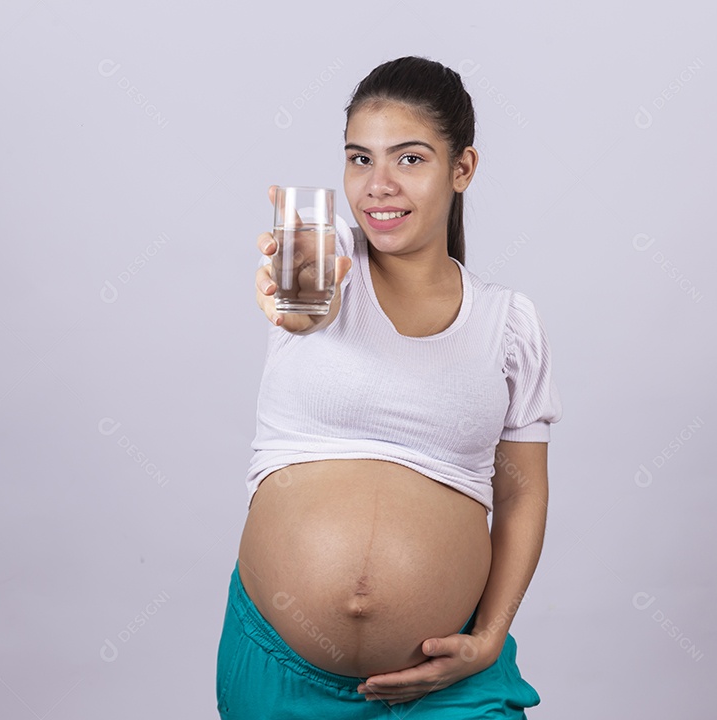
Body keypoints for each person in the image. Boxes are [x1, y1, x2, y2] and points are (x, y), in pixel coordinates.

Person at [216, 55, 562, 719]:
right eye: (359, 159)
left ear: (462, 168)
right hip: (281, 678)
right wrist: (292, 295)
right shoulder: (326, 263)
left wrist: (489, 639)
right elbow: (301, 303)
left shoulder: (509, 323)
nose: (378, 185)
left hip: (450, 682)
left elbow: (523, 494)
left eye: (409, 159)